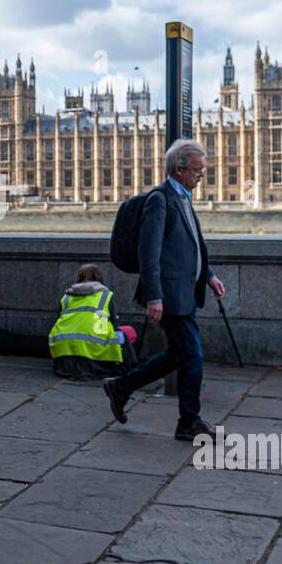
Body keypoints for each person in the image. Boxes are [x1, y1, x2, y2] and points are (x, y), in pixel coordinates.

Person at [103, 139, 226, 439]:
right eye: (197, 170)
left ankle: (121, 386)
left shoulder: (183, 196)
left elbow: (191, 245)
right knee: (193, 355)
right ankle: (188, 422)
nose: (201, 175)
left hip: (183, 291)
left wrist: (208, 275)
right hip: (169, 294)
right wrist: (154, 296)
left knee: (177, 354)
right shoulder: (161, 199)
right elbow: (150, 251)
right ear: (179, 170)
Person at [48, 263, 138, 380]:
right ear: (99, 278)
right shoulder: (106, 295)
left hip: (63, 353)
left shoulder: (66, 297)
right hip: (95, 352)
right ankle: (129, 368)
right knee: (127, 332)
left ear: (79, 277)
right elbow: (114, 325)